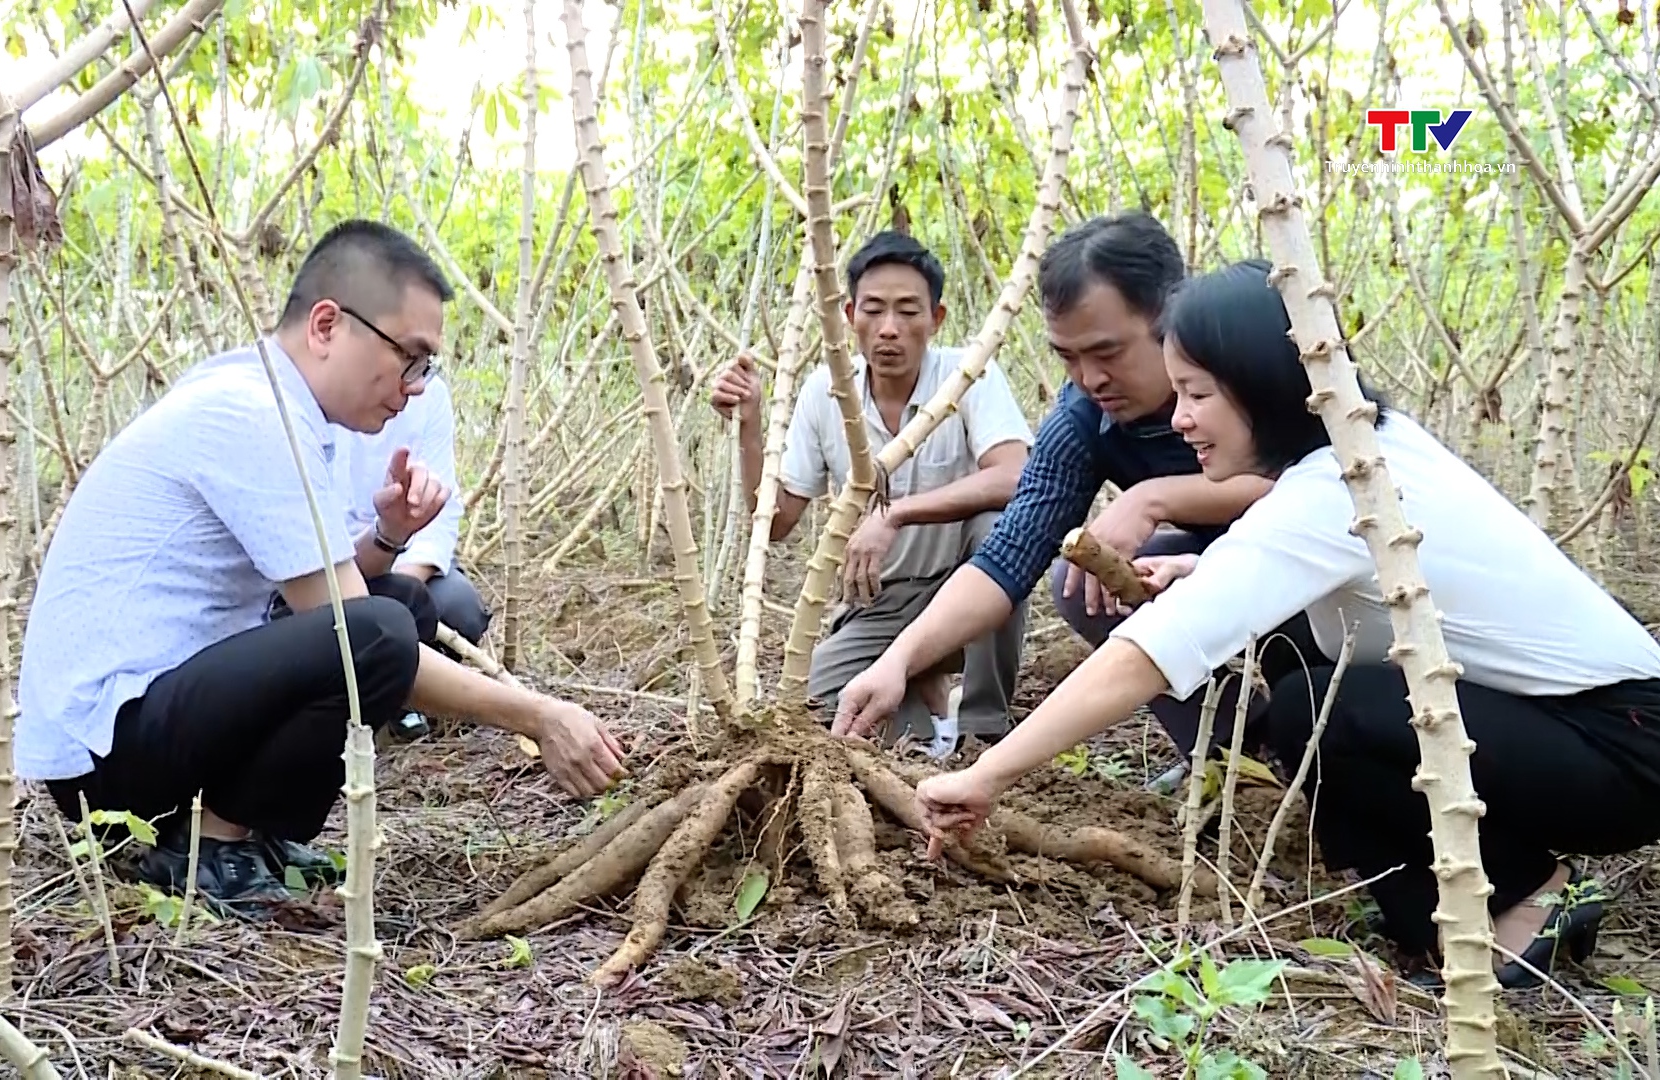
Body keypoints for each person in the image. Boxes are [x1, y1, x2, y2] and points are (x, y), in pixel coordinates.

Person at [912, 259, 1660, 988]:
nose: (1180, 420)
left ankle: (1532, 892)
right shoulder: (1365, 448)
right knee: (1311, 688)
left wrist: (988, 772)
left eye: (1196, 394)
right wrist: (1197, 570)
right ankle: (1440, 914)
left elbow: (1146, 656)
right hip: (1579, 731)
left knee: (1320, 710)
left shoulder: (1332, 489)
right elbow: (1372, 574)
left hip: (1623, 744)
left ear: (1259, 386)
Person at [15, 220, 628, 914]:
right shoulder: (253, 413)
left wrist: (391, 536)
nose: (416, 386)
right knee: (378, 634)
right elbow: (345, 627)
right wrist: (540, 716)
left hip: (155, 713)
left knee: (403, 605)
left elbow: (338, 591)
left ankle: (251, 831)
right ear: (329, 325)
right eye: (411, 357)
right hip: (106, 749)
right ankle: (207, 850)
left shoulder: (274, 402)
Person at [833, 212, 1303, 788]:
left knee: (1313, 693)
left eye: (1107, 352)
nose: (1090, 378)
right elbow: (1006, 559)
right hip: (1208, 568)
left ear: (1170, 316)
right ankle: (1233, 753)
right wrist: (897, 663)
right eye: (1068, 357)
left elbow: (1321, 487)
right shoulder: (1083, 420)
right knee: (1082, 581)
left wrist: (1155, 497)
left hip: (1324, 591)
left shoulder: (1259, 366)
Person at [711, 230, 1035, 755]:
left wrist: (896, 515)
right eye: (875, 310)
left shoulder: (969, 376)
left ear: (937, 319)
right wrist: (750, 424)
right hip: (878, 601)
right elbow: (774, 521)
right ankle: (928, 726)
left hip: (967, 589)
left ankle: (983, 728)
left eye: (909, 312)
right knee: (822, 704)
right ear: (849, 315)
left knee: (1003, 531)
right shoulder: (826, 392)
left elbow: (1016, 476)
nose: (890, 330)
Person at [328, 370, 492, 741]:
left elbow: (438, 509)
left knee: (446, 605)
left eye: (422, 364)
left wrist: (400, 581)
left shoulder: (429, 396)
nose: (414, 387)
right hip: (327, 574)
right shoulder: (306, 404)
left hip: (397, 559)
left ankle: (404, 698)